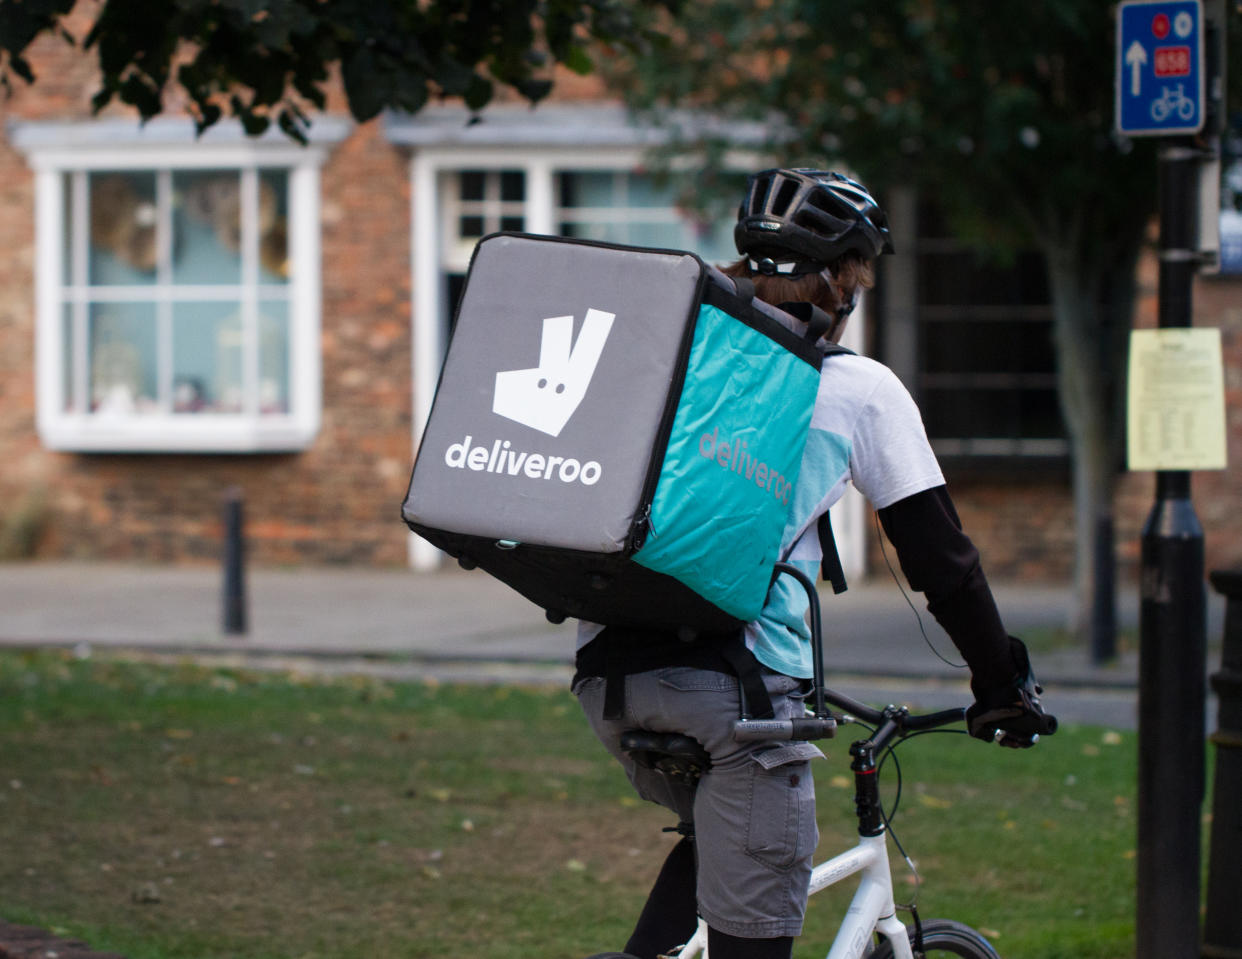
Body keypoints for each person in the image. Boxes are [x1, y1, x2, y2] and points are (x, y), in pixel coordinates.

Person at [570, 168, 1052, 959]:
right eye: (859, 271)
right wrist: (1001, 683)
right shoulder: (858, 388)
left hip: (607, 674)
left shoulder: (676, 352)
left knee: (715, 842)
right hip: (736, 694)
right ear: (840, 278)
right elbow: (945, 562)